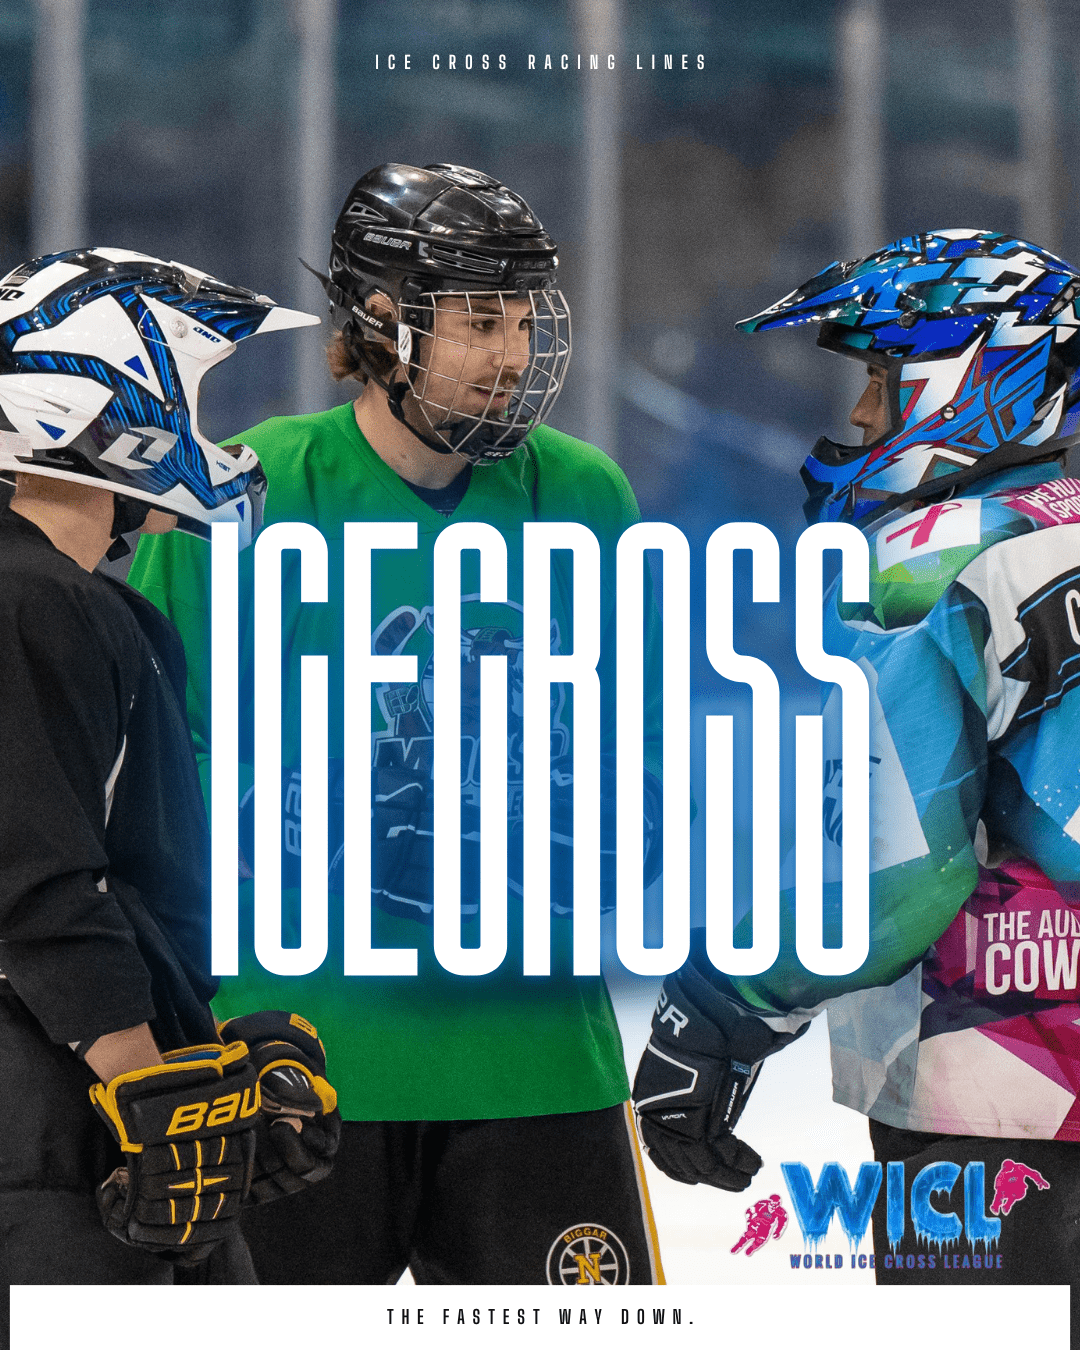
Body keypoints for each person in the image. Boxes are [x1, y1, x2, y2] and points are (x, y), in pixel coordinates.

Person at [129, 162, 666, 1285]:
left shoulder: (588, 498)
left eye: (526, 319)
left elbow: (634, 753)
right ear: (380, 321)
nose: (515, 354)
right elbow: (164, 770)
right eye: (481, 322)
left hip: (535, 1063)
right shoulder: (248, 492)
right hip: (295, 1068)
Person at [632, 229, 1080, 1312]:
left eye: (884, 380)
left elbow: (899, 867)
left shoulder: (933, 555)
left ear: (975, 380)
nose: (866, 417)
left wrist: (719, 1007)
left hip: (1000, 1089)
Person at [0, 247, 340, 1331]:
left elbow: (105, 874)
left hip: (70, 1114)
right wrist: (155, 1092)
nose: (211, 435)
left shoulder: (82, 601)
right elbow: (36, 881)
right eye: (191, 397)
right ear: (103, 408)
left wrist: (202, 1046)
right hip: (47, 1137)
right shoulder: (34, 602)